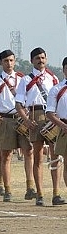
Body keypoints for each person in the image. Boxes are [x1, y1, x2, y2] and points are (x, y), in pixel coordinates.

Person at [15, 47, 64, 206]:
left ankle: (56, 193)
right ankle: (40, 193)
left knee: (55, 155)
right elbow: (18, 104)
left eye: (43, 58)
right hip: (34, 116)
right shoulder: (26, 80)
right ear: (32, 61)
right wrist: (26, 120)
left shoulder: (53, 78)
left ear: (46, 59)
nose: (40, 60)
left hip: (52, 117)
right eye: (37, 58)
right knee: (37, 156)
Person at [0, 50, 31, 202]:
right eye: (5, 61)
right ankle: (7, 189)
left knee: (28, 151)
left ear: (15, 61)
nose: (9, 64)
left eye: (11, 60)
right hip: (5, 119)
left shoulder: (23, 79)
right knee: (6, 155)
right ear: (0, 63)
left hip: (22, 118)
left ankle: (30, 187)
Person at [45, 57, 67, 200]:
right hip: (65, 128)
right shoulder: (57, 89)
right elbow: (49, 113)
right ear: (64, 69)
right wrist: (62, 125)